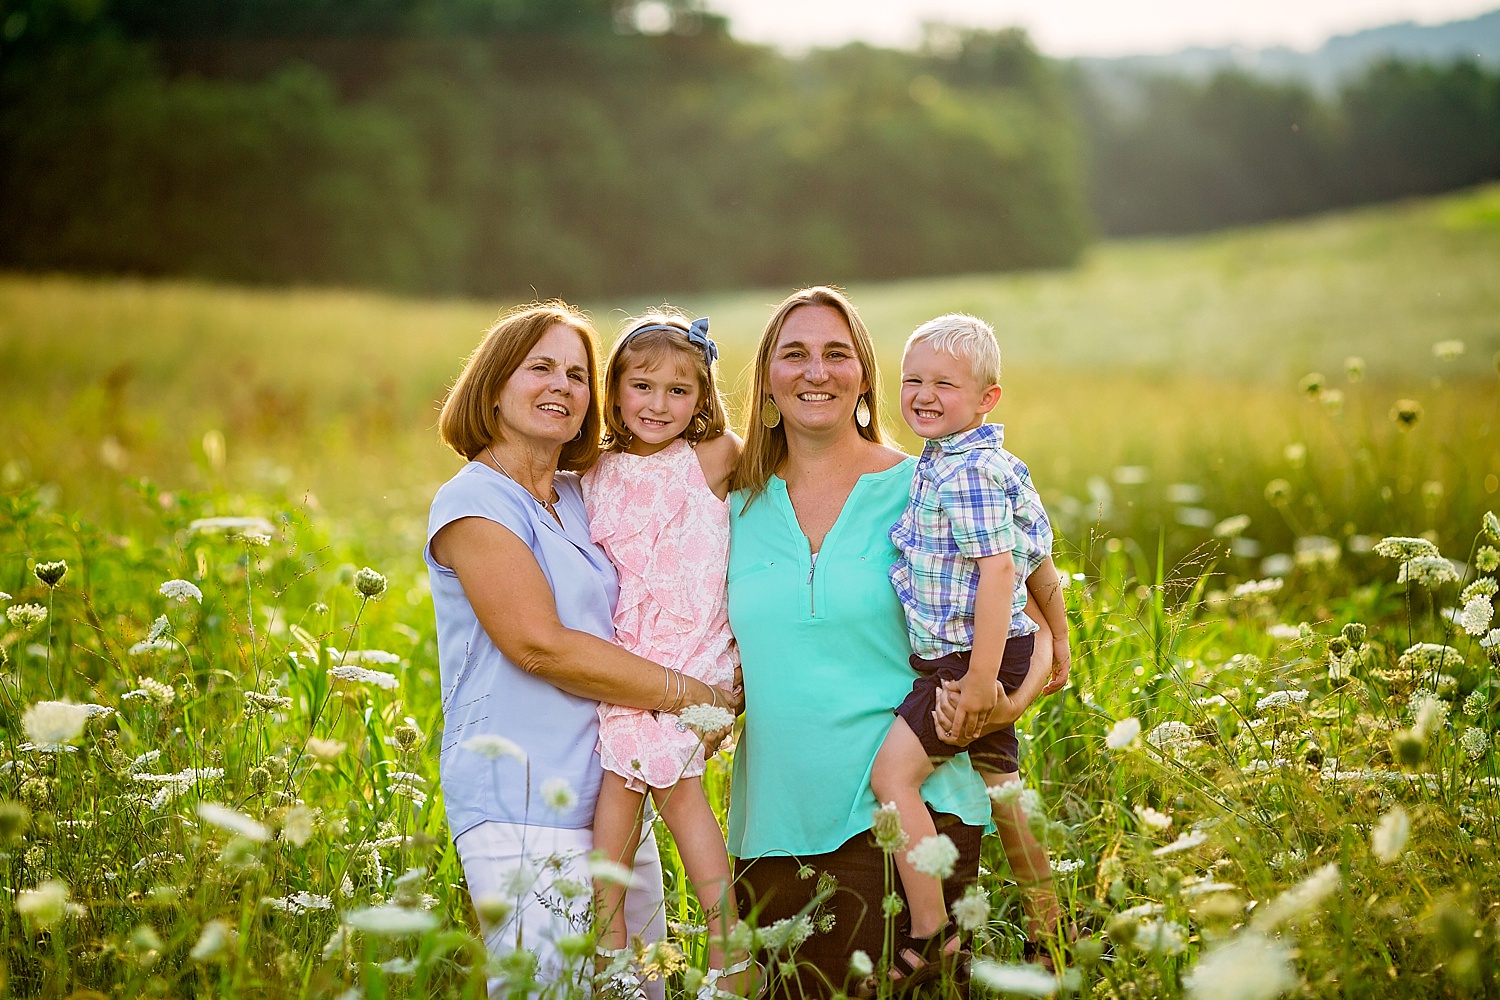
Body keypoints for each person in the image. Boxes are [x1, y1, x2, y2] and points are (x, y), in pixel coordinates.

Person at [424, 302, 738, 997]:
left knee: (637, 989)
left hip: (614, 792)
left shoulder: (579, 494)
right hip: (523, 804)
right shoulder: (474, 502)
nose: (562, 385)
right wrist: (697, 696)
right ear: (495, 385)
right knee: (559, 988)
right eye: (541, 367)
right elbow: (542, 646)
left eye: (575, 373)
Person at [724, 286, 1000, 998]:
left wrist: (1005, 699)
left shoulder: (929, 484)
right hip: (772, 836)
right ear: (766, 380)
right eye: (795, 354)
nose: (816, 371)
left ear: (865, 376)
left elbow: (1025, 606)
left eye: (836, 353)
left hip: (908, 821)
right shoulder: (728, 503)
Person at [871, 313, 1073, 977]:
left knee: (893, 777)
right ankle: (1054, 931)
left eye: (945, 385)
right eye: (912, 380)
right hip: (997, 650)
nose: (924, 395)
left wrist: (984, 678)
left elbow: (1001, 571)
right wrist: (1061, 638)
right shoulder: (982, 462)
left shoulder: (968, 475)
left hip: (966, 663)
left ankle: (931, 931)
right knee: (1006, 794)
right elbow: (1042, 558)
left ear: (987, 399)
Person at [581, 312, 748, 996]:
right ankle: (614, 964)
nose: (658, 404)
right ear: (614, 390)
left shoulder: (715, 456)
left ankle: (731, 959)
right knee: (614, 806)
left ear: (702, 400)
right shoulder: (594, 470)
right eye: (641, 386)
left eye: (679, 391)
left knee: (682, 802)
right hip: (629, 660)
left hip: (691, 657)